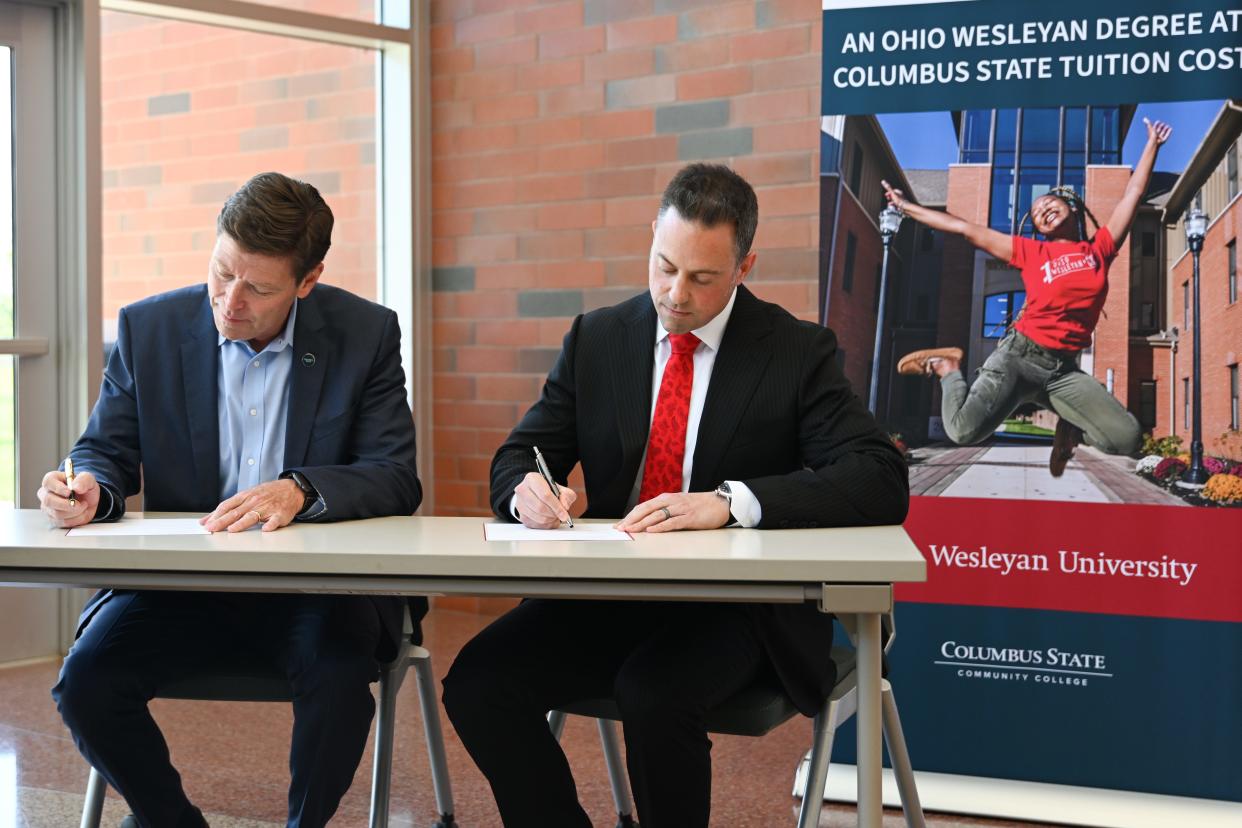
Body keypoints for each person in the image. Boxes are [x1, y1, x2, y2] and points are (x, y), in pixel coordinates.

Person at [441, 163, 908, 827]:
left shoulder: (796, 351)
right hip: (610, 593)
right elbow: (518, 455)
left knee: (653, 693)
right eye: (664, 266)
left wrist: (731, 502)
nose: (675, 293)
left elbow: (879, 477)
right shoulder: (597, 339)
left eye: (701, 276)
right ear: (650, 243)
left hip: (736, 608)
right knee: (478, 682)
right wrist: (529, 491)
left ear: (745, 265)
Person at [38, 172, 422, 828]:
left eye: (258, 287)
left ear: (308, 281)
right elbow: (104, 449)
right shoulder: (149, 328)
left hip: (315, 591)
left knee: (339, 686)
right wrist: (89, 490)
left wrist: (302, 489)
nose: (230, 301)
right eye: (221, 272)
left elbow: (394, 474)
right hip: (179, 587)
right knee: (87, 682)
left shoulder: (365, 334)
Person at [887, 117, 1172, 477]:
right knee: (962, 430)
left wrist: (1152, 146)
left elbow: (1131, 195)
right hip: (1018, 358)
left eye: (1049, 203)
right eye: (1037, 214)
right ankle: (948, 367)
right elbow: (965, 228)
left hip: (1062, 371)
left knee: (1125, 438)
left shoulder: (1099, 249)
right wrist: (905, 207)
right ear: (1037, 229)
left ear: (1072, 207)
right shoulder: (1031, 252)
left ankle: (1067, 426)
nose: (1043, 211)